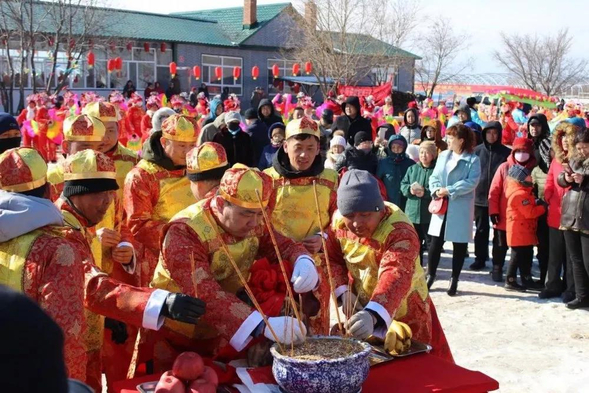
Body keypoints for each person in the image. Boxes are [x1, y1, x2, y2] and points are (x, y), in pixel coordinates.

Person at [151, 165, 315, 369]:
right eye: (247, 214)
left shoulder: (254, 220)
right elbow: (204, 292)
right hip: (176, 331)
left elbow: (278, 244)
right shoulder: (186, 231)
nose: (255, 223)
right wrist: (262, 325)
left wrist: (302, 258)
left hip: (226, 327)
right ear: (220, 204)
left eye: (259, 214)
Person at [325, 169, 453, 362]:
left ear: (380, 210)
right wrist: (344, 292)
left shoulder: (399, 230)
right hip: (361, 305)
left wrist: (374, 313)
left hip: (405, 307)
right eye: (350, 215)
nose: (357, 223)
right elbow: (332, 258)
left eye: (365, 215)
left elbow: (396, 272)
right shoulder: (338, 222)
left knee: (416, 369)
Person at [264, 117, 339, 334]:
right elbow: (259, 224)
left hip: (317, 262)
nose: (304, 155)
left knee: (315, 325)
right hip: (278, 265)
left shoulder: (330, 179)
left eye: (310, 148)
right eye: (298, 148)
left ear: (318, 149)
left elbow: (340, 220)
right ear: (285, 146)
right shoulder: (267, 180)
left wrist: (324, 238)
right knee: (284, 326)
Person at [124, 114, 198, 287]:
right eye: (181, 145)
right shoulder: (142, 176)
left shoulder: (196, 168)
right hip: (157, 259)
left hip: (196, 253)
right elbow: (138, 225)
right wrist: (182, 238)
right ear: (164, 143)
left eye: (192, 145)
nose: (187, 151)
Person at [426, 124, 481, 296]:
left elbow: (472, 182)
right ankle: (431, 274)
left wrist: (450, 189)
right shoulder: (443, 156)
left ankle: (454, 278)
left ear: (461, 140)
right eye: (448, 137)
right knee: (435, 243)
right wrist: (435, 189)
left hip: (460, 206)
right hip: (441, 204)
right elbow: (434, 176)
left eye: (451, 138)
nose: (448, 140)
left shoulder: (473, 160)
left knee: (459, 245)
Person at [488, 137, 537, 282]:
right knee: (500, 244)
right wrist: (493, 211)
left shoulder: (533, 169)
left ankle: (525, 272)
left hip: (524, 217)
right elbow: (494, 191)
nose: (521, 154)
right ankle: (497, 267)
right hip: (503, 215)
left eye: (525, 151)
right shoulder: (505, 167)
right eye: (519, 151)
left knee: (525, 248)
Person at [540, 122, 576, 301]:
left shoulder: (578, 160)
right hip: (555, 213)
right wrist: (548, 195)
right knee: (554, 255)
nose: (565, 141)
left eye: (568, 138)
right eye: (561, 138)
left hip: (572, 215)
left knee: (571, 257)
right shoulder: (556, 161)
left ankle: (571, 288)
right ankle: (552, 284)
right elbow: (549, 180)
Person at [471, 121, 511, 273]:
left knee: (499, 231)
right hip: (480, 196)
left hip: (500, 198)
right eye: (489, 133)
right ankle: (480, 258)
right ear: (484, 134)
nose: (492, 136)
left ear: (499, 134)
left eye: (495, 133)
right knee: (481, 230)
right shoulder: (476, 151)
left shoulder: (506, 153)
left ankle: (497, 262)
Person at [558, 127, 589, 309]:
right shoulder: (574, 161)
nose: (582, 151)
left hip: (586, 216)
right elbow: (560, 180)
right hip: (570, 214)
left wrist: (584, 180)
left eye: (585, 146)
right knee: (575, 259)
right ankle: (581, 295)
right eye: (579, 147)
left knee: (587, 260)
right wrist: (567, 178)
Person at [504, 165, 546, 291]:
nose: (531, 177)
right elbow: (530, 212)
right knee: (517, 256)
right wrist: (544, 207)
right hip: (519, 231)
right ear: (520, 179)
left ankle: (526, 279)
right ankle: (510, 280)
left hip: (524, 230)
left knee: (527, 255)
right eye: (528, 175)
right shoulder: (519, 194)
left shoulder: (525, 192)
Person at [400, 141, 437, 264]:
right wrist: (409, 190)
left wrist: (425, 193)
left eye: (427, 153)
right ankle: (417, 266)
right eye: (421, 152)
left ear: (433, 155)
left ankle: (431, 269)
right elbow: (403, 185)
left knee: (430, 242)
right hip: (412, 212)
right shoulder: (412, 168)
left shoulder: (436, 171)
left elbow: (438, 188)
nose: (423, 155)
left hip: (429, 214)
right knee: (414, 242)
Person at [377, 134, 415, 211]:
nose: (396, 150)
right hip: (388, 203)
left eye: (399, 147)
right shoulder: (383, 163)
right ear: (390, 148)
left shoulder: (410, 164)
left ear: (404, 148)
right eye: (393, 147)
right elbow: (378, 182)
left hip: (406, 203)